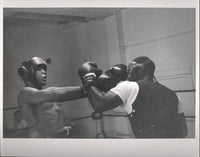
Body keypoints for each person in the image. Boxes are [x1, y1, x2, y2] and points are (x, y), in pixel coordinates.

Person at [78, 56, 187, 138]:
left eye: (129, 70)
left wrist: (88, 77)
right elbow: (183, 131)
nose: (127, 74)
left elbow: (99, 104)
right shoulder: (174, 95)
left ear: (138, 70)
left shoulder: (128, 86)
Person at [17, 57, 102, 138]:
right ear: (28, 73)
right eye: (39, 69)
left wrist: (95, 87)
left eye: (44, 69)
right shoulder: (24, 93)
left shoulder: (42, 96)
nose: (44, 72)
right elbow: (51, 93)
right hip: (38, 142)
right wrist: (88, 85)